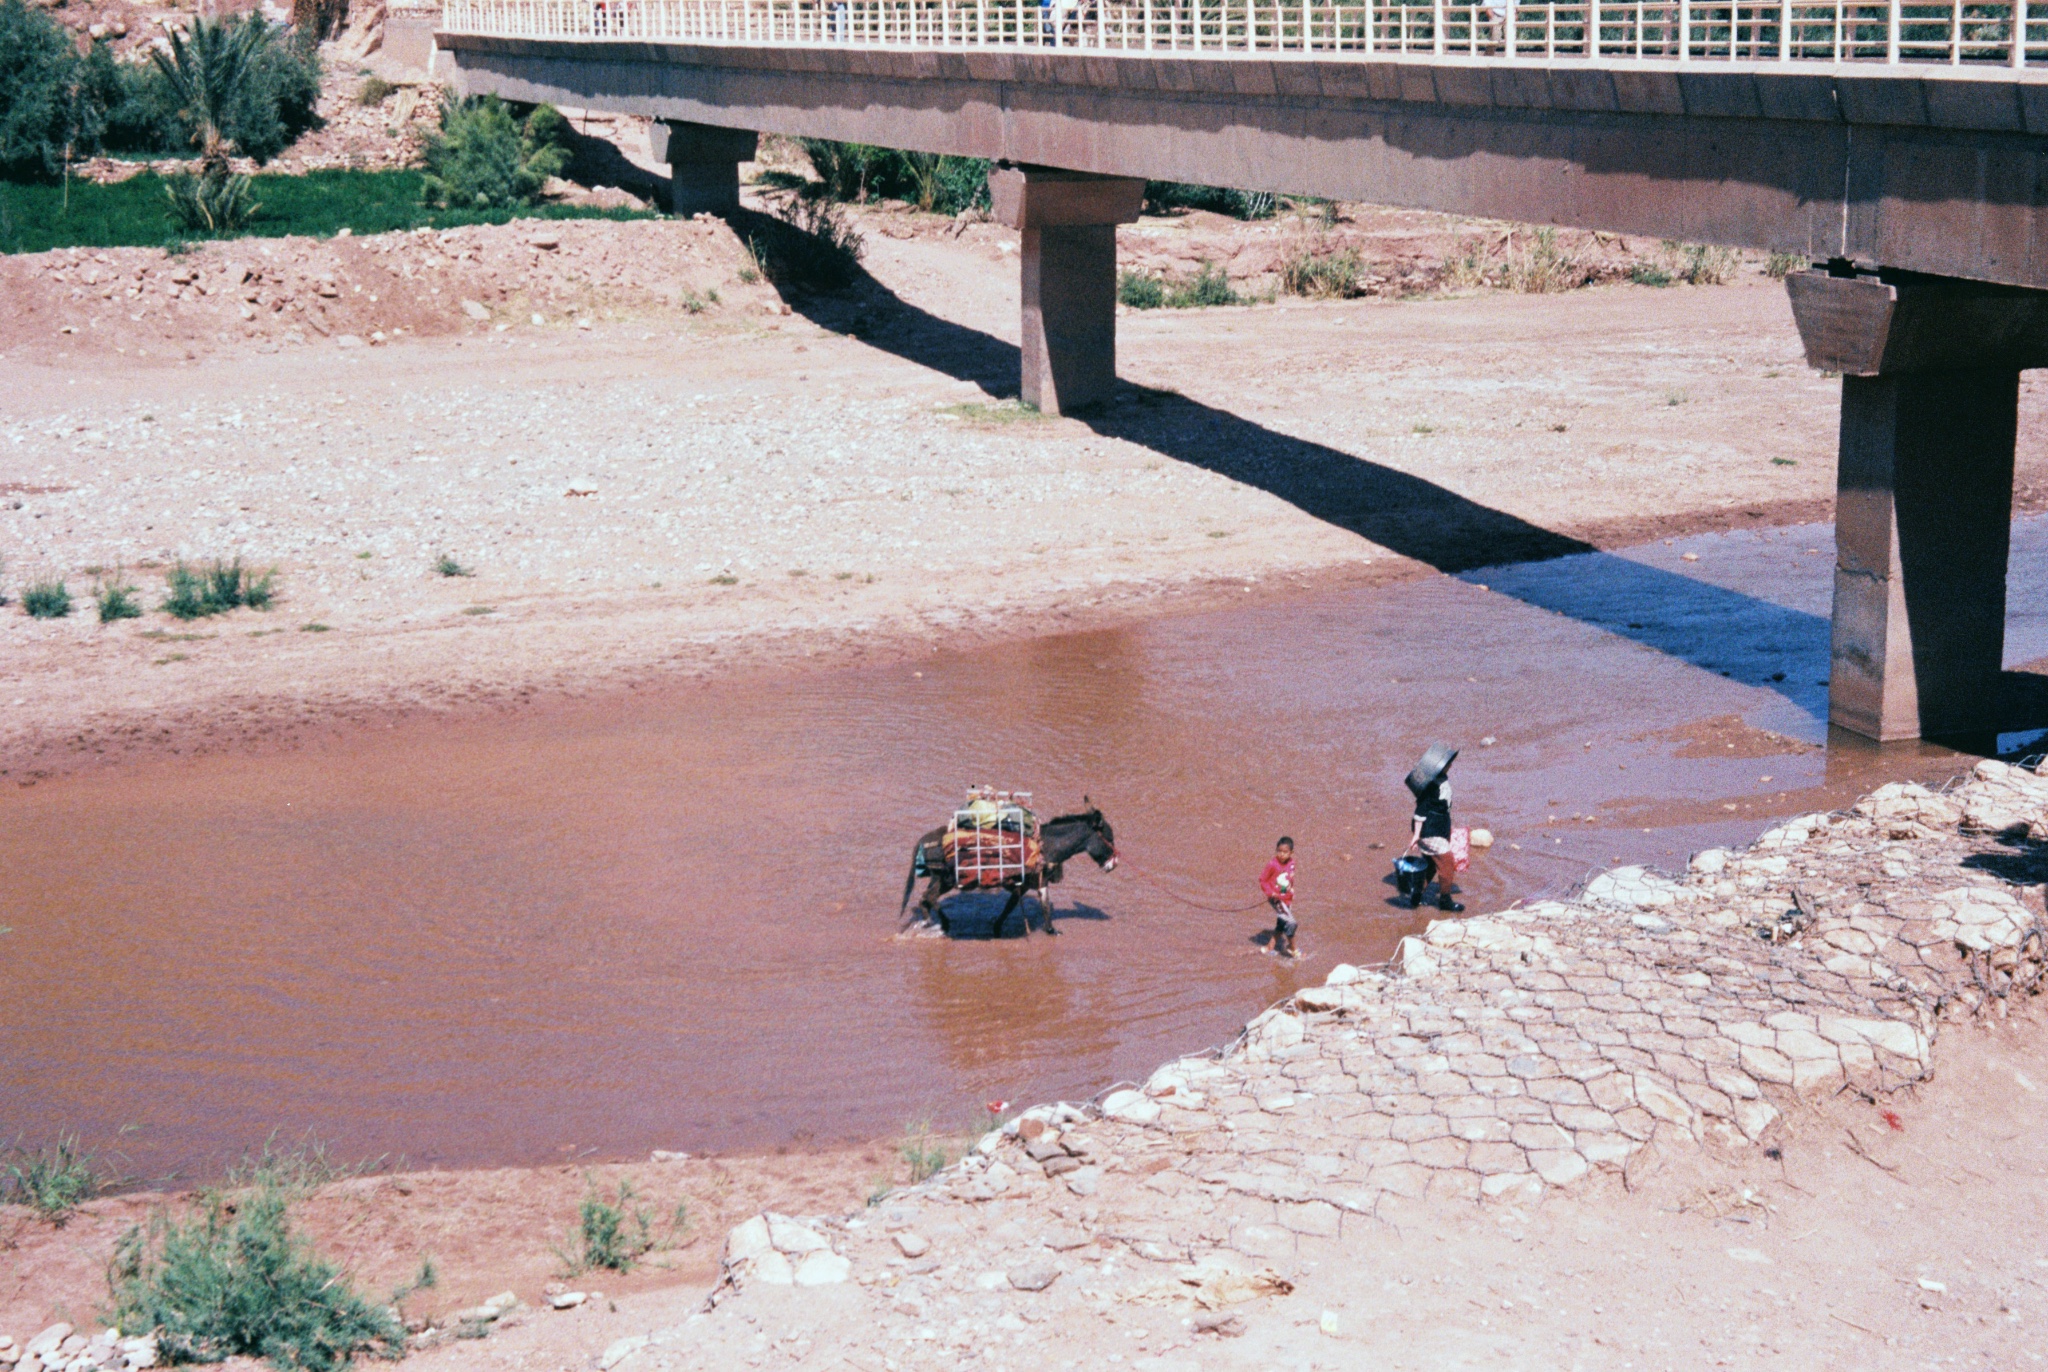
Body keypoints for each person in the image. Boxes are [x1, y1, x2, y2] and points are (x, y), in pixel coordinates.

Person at [1404, 743, 1465, 912]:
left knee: (1431, 864)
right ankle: (1445, 901)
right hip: (1430, 830)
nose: (1450, 765)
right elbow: (1420, 811)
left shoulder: (1441, 780)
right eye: (1447, 764)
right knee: (1446, 863)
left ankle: (1415, 897)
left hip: (1438, 828)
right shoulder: (1431, 787)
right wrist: (1416, 835)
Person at [1259, 836, 1298, 959]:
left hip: (1287, 899)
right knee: (1291, 922)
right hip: (1276, 899)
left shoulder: (1292, 863)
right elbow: (1262, 880)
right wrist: (1271, 893)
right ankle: (1293, 948)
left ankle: (1269, 946)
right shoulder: (1272, 864)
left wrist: (1291, 890)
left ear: (1291, 853)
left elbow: (1289, 878)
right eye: (1279, 851)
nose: (1281, 854)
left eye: (1285, 852)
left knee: (1282, 922)